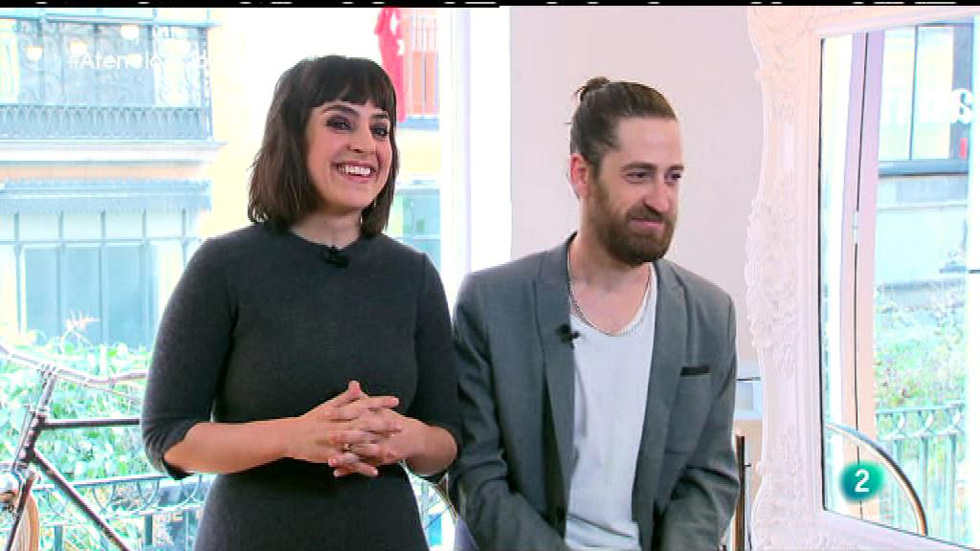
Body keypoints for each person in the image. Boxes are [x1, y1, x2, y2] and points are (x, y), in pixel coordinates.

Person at [141, 55, 459, 551]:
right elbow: (168, 437)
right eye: (340, 123)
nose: (366, 144)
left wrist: (407, 437)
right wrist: (294, 436)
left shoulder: (413, 275)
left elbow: (447, 440)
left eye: (380, 129)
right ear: (293, 137)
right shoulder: (224, 265)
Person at [450, 77, 739, 551]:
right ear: (581, 174)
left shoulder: (710, 315)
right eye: (639, 175)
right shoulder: (491, 303)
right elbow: (476, 475)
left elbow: (709, 477)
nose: (661, 200)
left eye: (673, 177)